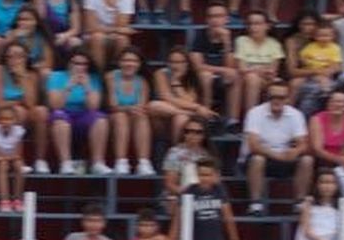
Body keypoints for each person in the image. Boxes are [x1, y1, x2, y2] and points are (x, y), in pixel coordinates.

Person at [243, 80, 312, 214]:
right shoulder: (255, 113)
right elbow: (253, 145)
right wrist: (278, 155)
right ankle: (255, 204)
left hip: (284, 157)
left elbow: (303, 144)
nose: (277, 100)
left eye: (281, 97)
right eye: (273, 97)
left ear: (287, 99)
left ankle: (299, 203)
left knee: (307, 160)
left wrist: (296, 151)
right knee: (258, 159)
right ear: (267, 98)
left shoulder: (296, 114)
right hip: (262, 157)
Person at [47, 51, 109, 175]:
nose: (81, 67)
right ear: (69, 64)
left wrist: (87, 86)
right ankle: (65, 163)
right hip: (63, 113)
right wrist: (69, 85)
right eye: (76, 63)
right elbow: (55, 105)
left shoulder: (93, 78)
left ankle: (98, 163)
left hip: (84, 115)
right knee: (60, 118)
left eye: (84, 64)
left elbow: (93, 106)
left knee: (101, 119)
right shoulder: (56, 76)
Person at [149, 45, 218, 146]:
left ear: (187, 64)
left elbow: (189, 102)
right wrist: (197, 108)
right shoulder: (161, 74)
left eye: (179, 62)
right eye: (172, 62)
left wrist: (176, 82)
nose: (175, 66)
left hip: (185, 121)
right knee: (154, 105)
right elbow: (166, 97)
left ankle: (176, 152)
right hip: (162, 120)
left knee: (180, 118)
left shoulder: (192, 78)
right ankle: (190, 114)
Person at [171, 156, 243, 240]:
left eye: (208, 175)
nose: (204, 179)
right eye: (201, 175)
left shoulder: (219, 190)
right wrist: (172, 239)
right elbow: (178, 217)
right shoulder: (189, 191)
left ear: (215, 175)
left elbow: (228, 217)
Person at [189, 1, 241, 127]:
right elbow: (198, 66)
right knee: (205, 75)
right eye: (212, 16)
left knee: (236, 77)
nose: (215, 20)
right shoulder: (200, 35)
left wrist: (227, 43)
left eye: (219, 16)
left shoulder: (231, 37)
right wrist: (222, 70)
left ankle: (232, 121)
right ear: (207, 20)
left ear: (226, 19)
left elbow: (231, 67)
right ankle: (208, 116)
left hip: (221, 78)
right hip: (199, 78)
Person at [106, 46, 154, 176]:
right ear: (119, 62)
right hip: (112, 117)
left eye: (134, 61)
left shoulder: (142, 81)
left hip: (132, 117)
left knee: (142, 117)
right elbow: (112, 105)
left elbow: (141, 107)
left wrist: (132, 110)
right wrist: (128, 109)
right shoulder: (110, 77)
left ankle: (143, 162)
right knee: (121, 116)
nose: (129, 64)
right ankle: (121, 162)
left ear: (139, 64)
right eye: (126, 60)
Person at [233, 8, 284, 120]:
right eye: (250, 24)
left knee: (254, 78)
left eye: (257, 24)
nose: (253, 27)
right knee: (252, 79)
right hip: (245, 80)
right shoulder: (241, 41)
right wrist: (261, 70)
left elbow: (272, 71)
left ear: (267, 26)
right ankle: (250, 119)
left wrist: (253, 69)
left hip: (267, 81)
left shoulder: (274, 44)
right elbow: (241, 68)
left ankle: (251, 119)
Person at [83, 0, 135, 70]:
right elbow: (91, 27)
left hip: (113, 36)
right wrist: (116, 29)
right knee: (98, 37)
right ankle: (100, 75)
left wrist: (114, 5)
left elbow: (122, 24)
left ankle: (116, 73)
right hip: (93, 36)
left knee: (122, 39)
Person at [0, 104, 27, 210]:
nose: (6, 122)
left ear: (15, 120)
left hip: (11, 158)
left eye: (9, 119)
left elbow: (18, 154)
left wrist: (12, 158)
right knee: (3, 165)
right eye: (3, 119)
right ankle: (5, 200)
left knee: (19, 165)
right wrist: (8, 158)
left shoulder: (18, 131)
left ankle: (17, 199)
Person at [294, 168, 344, 240]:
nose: (327, 186)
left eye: (332, 183)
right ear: (316, 185)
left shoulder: (341, 206)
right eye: (323, 182)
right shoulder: (308, 204)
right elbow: (306, 231)